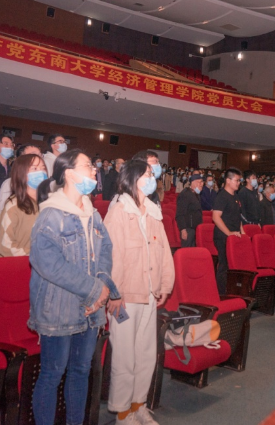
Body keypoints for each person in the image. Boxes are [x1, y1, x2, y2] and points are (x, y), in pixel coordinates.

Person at [29, 149, 119, 425]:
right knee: (52, 374)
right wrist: (94, 290)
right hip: (59, 307)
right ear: (68, 173)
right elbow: (47, 263)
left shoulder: (92, 213)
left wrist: (101, 285)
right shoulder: (51, 215)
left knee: (81, 371)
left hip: (90, 309)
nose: (94, 170)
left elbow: (105, 249)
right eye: (88, 165)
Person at [104, 159, 174, 425]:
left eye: (152, 174)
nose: (151, 178)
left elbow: (164, 252)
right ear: (132, 178)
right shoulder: (119, 211)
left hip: (148, 294)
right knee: (125, 356)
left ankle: (138, 404)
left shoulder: (154, 212)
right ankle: (123, 413)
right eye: (146, 174)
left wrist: (165, 285)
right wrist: (114, 293)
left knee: (146, 354)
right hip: (124, 297)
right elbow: (110, 257)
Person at [0, 154, 47, 257]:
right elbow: (5, 246)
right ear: (22, 174)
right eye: (35, 169)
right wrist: (36, 254)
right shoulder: (14, 206)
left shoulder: (48, 203)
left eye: (43, 168)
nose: (41, 172)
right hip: (19, 262)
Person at [0, 144, 43, 227]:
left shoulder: (45, 183)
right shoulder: (10, 184)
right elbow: (1, 216)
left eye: (40, 155)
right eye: (33, 155)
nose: (39, 158)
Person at [212, 168, 243, 295]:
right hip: (223, 236)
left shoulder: (235, 196)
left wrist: (242, 232)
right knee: (224, 265)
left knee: (233, 265)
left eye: (239, 180)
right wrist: (228, 233)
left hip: (234, 236)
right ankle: (221, 293)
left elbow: (238, 217)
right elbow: (216, 217)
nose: (239, 183)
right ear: (228, 180)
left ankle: (231, 290)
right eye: (237, 180)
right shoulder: (222, 196)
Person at [176, 173, 203, 248]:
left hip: (195, 228)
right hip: (188, 229)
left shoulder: (196, 194)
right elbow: (180, 214)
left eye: (202, 182)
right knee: (187, 250)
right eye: (199, 182)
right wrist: (183, 230)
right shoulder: (185, 194)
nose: (201, 184)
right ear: (193, 183)